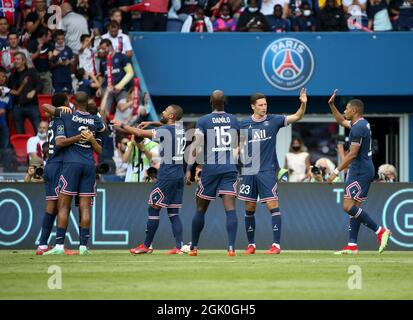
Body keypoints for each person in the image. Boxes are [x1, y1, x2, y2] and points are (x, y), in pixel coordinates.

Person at [238, 89, 307, 255]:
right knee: (249, 206)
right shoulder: (243, 123)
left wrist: (303, 103)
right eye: (261, 105)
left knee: (272, 205)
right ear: (253, 106)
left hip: (267, 170)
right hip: (248, 170)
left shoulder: (274, 120)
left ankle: (276, 245)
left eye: (265, 104)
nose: (264, 107)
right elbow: (237, 145)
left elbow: (297, 116)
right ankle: (251, 245)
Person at [112, 104, 186, 254]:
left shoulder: (165, 130)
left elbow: (139, 132)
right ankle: (179, 246)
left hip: (167, 176)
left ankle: (146, 245)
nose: (163, 112)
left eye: (165, 111)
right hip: (178, 175)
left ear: (171, 116)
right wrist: (152, 123)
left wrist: (122, 125)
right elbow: (166, 126)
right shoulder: (181, 129)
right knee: (173, 212)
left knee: (153, 207)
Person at [326, 89, 391, 255]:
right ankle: (352, 245)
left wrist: (335, 171)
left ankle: (380, 231)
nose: (345, 111)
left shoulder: (358, 128)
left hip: (359, 171)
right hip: (363, 169)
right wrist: (331, 105)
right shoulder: (361, 123)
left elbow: (352, 154)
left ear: (354, 111)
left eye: (347, 108)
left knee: (348, 206)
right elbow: (341, 120)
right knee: (354, 207)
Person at [44, 92, 105, 256]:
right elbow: (100, 147)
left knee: (63, 205)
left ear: (72, 102)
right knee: (85, 207)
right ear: (88, 102)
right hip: (89, 165)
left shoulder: (67, 115)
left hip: (71, 164)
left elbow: (48, 109)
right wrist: (91, 139)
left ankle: (58, 246)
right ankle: (83, 247)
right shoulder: (94, 120)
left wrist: (78, 135)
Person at [185, 90, 239, 256]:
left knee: (200, 209)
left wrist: (189, 168)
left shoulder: (203, 120)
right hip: (229, 168)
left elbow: (197, 146)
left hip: (210, 169)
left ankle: (193, 247)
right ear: (225, 102)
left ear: (210, 102)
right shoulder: (233, 120)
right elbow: (237, 145)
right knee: (230, 209)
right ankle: (231, 248)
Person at [36, 93, 72, 255]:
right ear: (65, 103)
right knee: (62, 206)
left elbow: (45, 107)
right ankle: (59, 245)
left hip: (50, 164)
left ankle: (43, 244)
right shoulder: (63, 119)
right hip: (58, 165)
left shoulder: (53, 121)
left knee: (51, 205)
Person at [97, 39, 134, 117]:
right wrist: (99, 88)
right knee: (103, 112)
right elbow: (101, 76)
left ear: (110, 46)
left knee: (124, 108)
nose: (102, 51)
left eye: (104, 49)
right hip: (107, 88)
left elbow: (130, 73)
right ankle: (105, 127)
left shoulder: (121, 57)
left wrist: (119, 86)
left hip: (120, 88)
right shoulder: (102, 60)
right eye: (101, 49)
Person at [9, 52, 42, 134]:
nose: (16, 61)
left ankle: (41, 147)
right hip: (18, 106)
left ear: (24, 61)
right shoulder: (12, 76)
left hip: (32, 105)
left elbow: (40, 84)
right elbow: (12, 91)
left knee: (40, 131)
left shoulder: (32, 72)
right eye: (15, 59)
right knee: (19, 133)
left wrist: (34, 91)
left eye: (18, 59)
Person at [27, 28, 52, 94]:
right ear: (44, 36)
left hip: (46, 73)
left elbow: (50, 58)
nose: (50, 38)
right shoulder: (32, 44)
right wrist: (38, 51)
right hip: (35, 73)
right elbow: (30, 59)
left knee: (47, 95)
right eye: (49, 36)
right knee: (35, 93)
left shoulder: (49, 45)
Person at [50, 30, 75, 94]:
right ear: (55, 39)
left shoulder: (68, 49)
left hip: (67, 77)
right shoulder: (52, 49)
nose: (61, 41)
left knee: (68, 97)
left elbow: (73, 63)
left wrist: (69, 62)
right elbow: (49, 65)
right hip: (56, 78)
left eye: (62, 39)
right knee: (57, 97)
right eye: (59, 39)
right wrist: (58, 63)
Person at [0, 67, 11, 152]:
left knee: (5, 147)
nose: (2, 78)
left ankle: (4, 164)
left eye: (4, 76)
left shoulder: (7, 93)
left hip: (3, 124)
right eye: (0, 76)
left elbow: (9, 109)